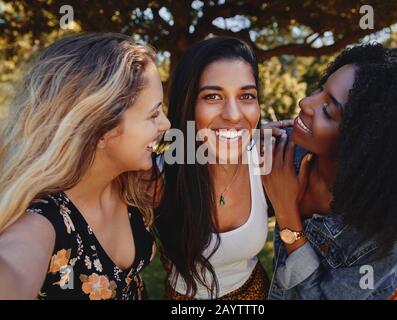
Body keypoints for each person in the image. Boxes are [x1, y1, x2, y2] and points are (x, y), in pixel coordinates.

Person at [0, 33, 170, 299]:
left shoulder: (131, 182)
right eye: (153, 114)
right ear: (102, 127)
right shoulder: (42, 222)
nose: (165, 125)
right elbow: (14, 269)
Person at [263, 43, 397, 300]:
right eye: (320, 90)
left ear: (364, 143)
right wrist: (242, 140)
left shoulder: (382, 231)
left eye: (328, 111)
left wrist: (288, 215)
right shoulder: (288, 151)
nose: (305, 102)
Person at [154, 37, 273, 299]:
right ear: (188, 104)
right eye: (213, 96)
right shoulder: (156, 178)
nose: (233, 114)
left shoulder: (269, 165)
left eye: (246, 96)